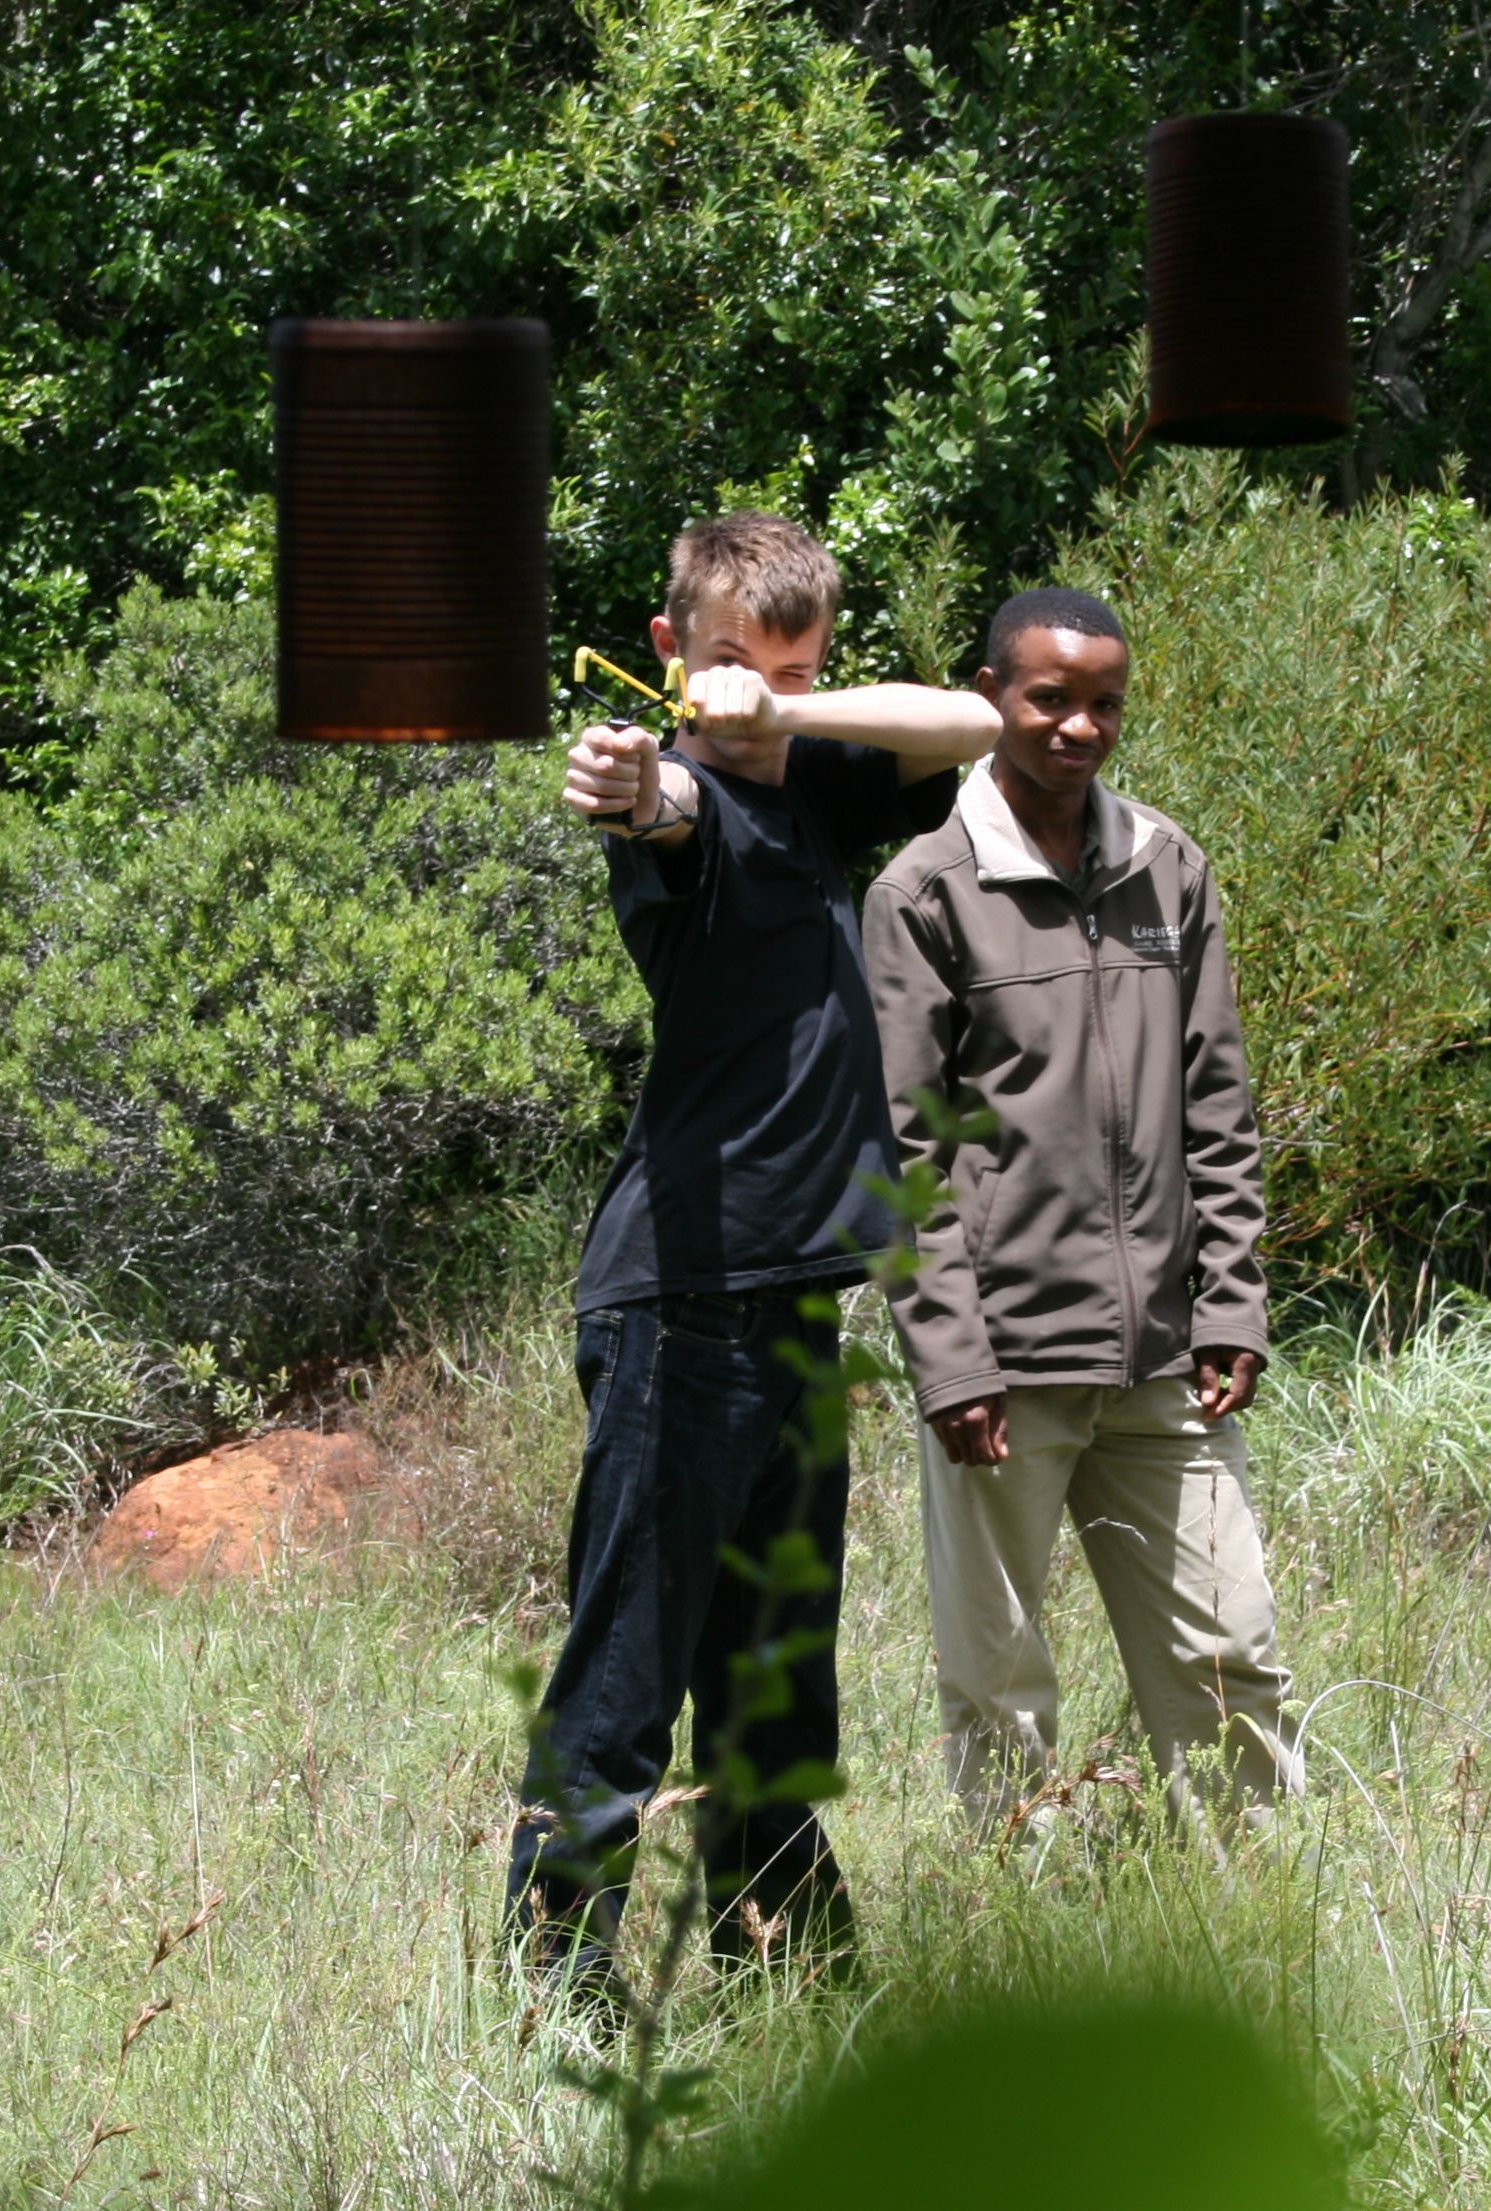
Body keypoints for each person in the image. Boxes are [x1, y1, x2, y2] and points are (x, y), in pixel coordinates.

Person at [513, 512, 999, 1981]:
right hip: (679, 1299)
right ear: (671, 648)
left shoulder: (814, 780)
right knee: (627, 1667)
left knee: (777, 1677)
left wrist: (781, 707)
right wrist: (639, 769)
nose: (755, 685)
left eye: (792, 659)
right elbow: (638, 794)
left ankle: (787, 1962)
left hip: (791, 1298)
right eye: (727, 655)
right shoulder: (691, 802)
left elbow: (971, 715)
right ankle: (557, 1984)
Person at [863, 587, 1301, 1826]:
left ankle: (1255, 1935)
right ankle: (1019, 1944)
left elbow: (1217, 1102)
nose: (1078, 727)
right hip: (1005, 1372)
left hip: (1167, 1359)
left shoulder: (1169, 865)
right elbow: (905, 1149)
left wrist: (1234, 1306)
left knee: (1231, 1662)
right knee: (999, 1687)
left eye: (1104, 703)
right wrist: (951, 1363)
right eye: (1050, 698)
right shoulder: (925, 891)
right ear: (990, 694)